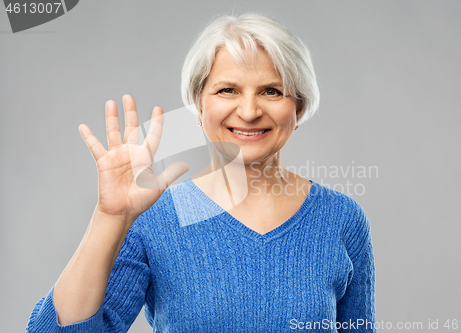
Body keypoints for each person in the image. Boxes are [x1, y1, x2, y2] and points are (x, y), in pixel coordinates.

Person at [26, 12, 376, 332]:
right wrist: (109, 215)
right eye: (228, 90)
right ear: (199, 106)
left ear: (297, 108)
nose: (250, 111)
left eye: (271, 91)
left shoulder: (342, 219)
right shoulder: (157, 218)